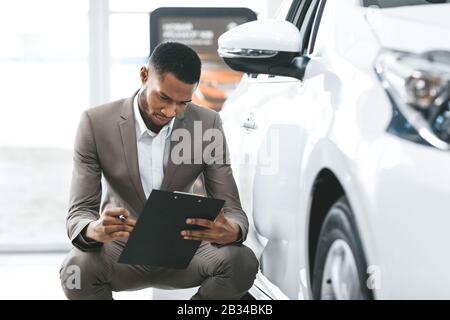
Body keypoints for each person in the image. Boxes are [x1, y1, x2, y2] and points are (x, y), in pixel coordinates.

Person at [59, 42, 259, 300]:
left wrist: (232, 230)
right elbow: (79, 212)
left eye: (183, 103)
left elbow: (233, 209)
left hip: (185, 249)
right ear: (144, 76)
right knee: (76, 270)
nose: (169, 111)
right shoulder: (95, 123)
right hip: (120, 248)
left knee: (241, 262)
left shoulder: (207, 124)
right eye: (163, 97)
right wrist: (93, 229)